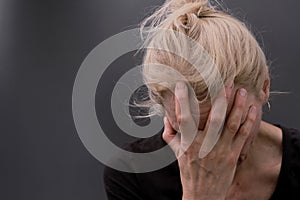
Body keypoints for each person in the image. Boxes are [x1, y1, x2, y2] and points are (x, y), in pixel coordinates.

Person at [104, 0, 300, 199]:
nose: (212, 155)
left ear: (265, 86)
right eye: (190, 130)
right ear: (164, 109)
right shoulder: (132, 173)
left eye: (229, 126)